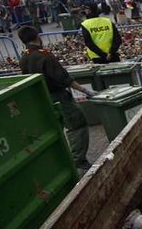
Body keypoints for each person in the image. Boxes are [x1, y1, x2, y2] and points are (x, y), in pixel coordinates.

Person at [18, 25, 93, 174]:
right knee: (76, 124)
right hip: (58, 96)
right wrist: (85, 90)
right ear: (37, 36)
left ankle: (61, 161)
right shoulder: (45, 55)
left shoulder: (24, 57)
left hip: (41, 98)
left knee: (55, 130)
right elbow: (64, 78)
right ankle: (78, 161)